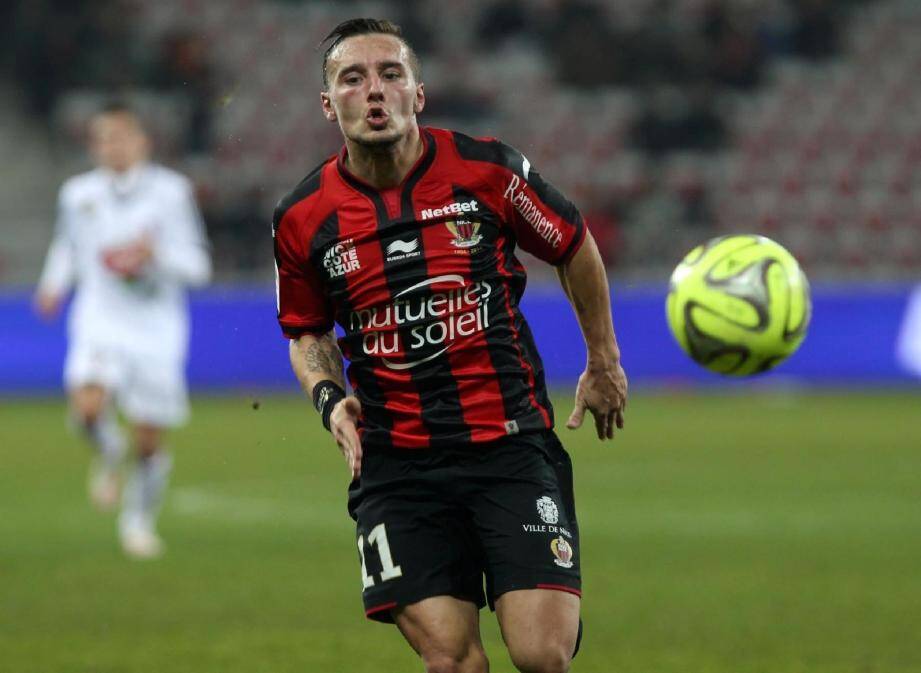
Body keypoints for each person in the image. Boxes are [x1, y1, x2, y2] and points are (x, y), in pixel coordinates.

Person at [273, 19, 627, 673]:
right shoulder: (302, 217)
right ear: (329, 104)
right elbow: (306, 328)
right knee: (454, 661)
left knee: (540, 654)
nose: (373, 91)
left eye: (390, 74)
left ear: (419, 92)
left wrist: (601, 360)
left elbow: (572, 243)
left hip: (509, 446)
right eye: (353, 78)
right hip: (397, 468)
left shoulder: (485, 170)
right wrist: (330, 400)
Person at [35, 102, 211, 559]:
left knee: (149, 437)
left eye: (121, 137)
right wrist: (52, 286)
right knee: (88, 408)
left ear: (142, 142)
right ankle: (108, 451)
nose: (112, 146)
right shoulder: (77, 194)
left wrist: (154, 258)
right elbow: (67, 246)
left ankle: (138, 520)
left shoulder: (171, 193)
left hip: (155, 326)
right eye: (103, 138)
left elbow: (198, 266)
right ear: (93, 145)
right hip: (100, 317)